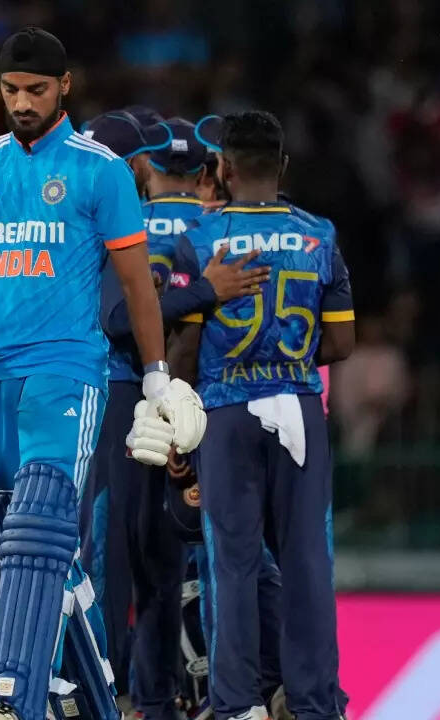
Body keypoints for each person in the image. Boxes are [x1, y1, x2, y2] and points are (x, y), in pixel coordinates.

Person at [0, 27, 206, 720]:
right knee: (34, 552)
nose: (22, 103)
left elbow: (136, 287)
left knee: (36, 530)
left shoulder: (99, 170)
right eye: (11, 90)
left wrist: (157, 377)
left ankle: (9, 698)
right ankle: (96, 700)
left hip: (67, 372)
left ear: (65, 86)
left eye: (36, 90)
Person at [167, 111, 355, 720]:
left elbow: (185, 350)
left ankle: (236, 706)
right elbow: (342, 342)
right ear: (283, 166)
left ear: (223, 168)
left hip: (225, 409)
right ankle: (314, 704)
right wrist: (287, 358)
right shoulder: (319, 235)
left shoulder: (200, 239)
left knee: (233, 564)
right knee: (306, 563)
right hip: (298, 405)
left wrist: (176, 421)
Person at [88, 116, 270, 719]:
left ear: (146, 167)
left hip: (126, 395)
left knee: (118, 554)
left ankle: (112, 696)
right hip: (211, 403)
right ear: (206, 171)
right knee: (185, 559)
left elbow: (118, 321)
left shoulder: (125, 224)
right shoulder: (224, 227)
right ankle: (185, 696)